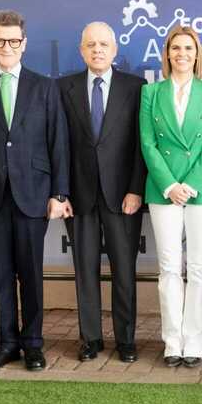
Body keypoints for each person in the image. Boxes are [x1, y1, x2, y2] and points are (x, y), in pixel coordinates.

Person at [0, 9, 70, 372]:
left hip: (33, 194)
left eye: (14, 40)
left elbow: (58, 143)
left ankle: (33, 344)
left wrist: (59, 194)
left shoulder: (45, 87)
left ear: (24, 43)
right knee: (2, 274)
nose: (7, 46)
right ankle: (6, 343)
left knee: (31, 274)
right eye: (0, 40)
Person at [56, 22, 147, 363]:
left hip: (123, 196)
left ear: (114, 49)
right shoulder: (63, 87)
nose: (97, 50)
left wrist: (135, 189)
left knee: (124, 270)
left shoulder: (135, 87)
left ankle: (126, 339)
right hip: (79, 196)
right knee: (85, 271)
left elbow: (141, 145)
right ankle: (90, 338)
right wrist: (61, 192)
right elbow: (58, 145)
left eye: (103, 44)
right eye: (91, 45)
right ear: (82, 50)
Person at [139, 25, 202, 367]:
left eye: (189, 48)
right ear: (167, 53)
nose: (182, 54)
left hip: (201, 190)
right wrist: (170, 185)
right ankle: (172, 342)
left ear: (197, 54)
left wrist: (191, 183)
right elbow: (148, 142)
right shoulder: (150, 92)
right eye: (176, 48)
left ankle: (194, 343)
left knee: (199, 268)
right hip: (164, 190)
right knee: (169, 268)